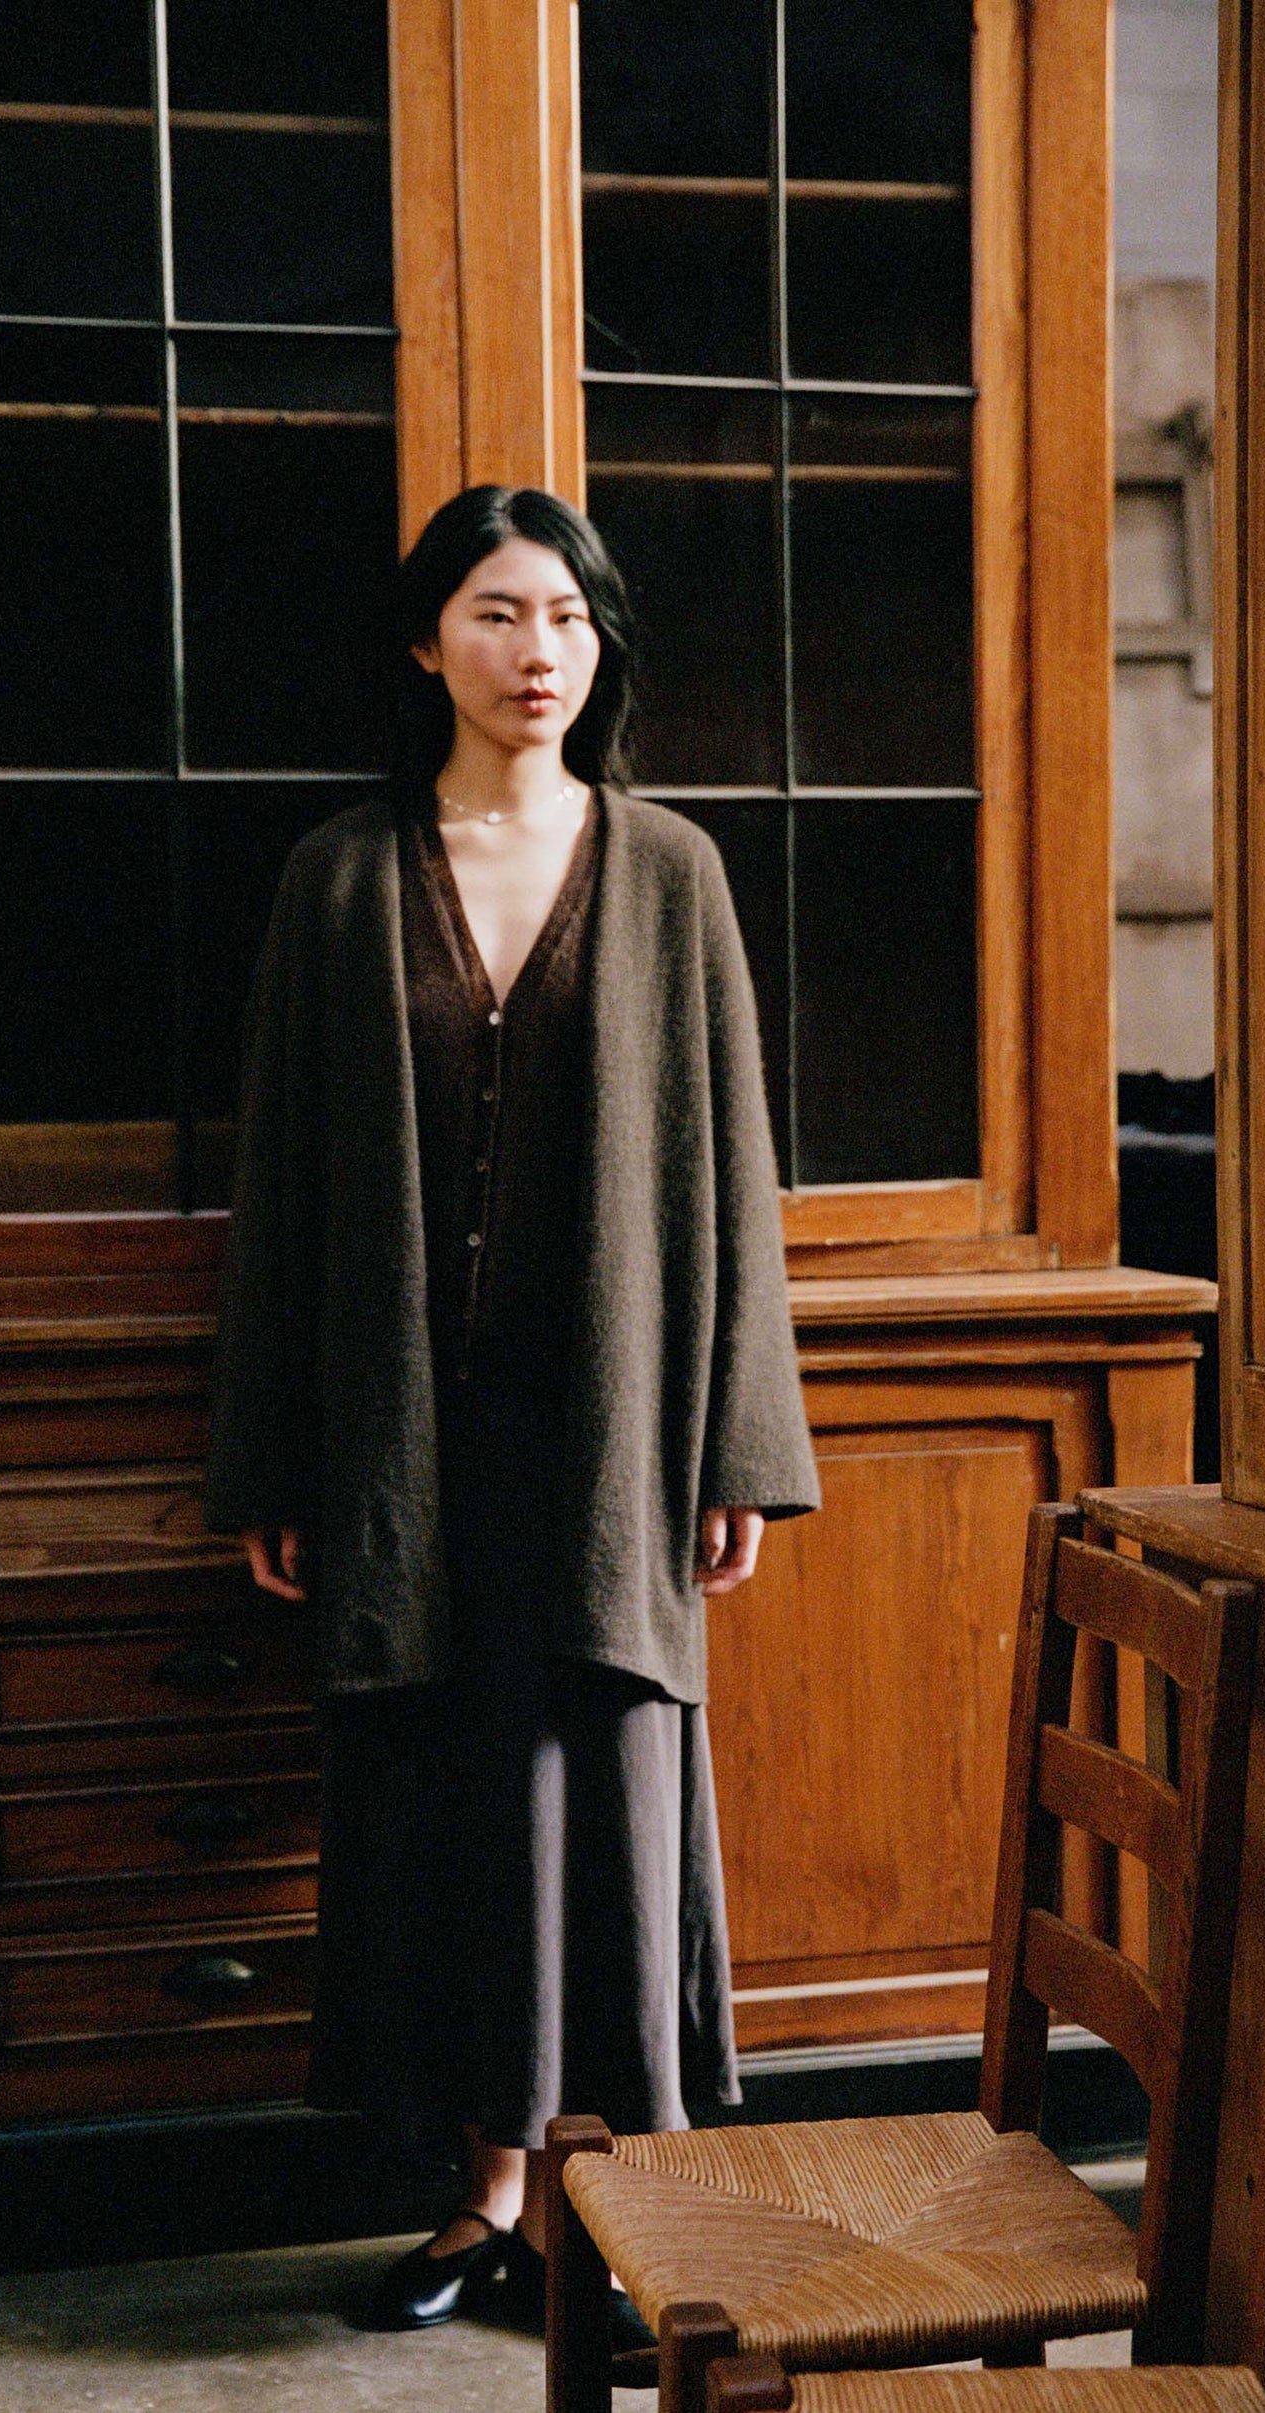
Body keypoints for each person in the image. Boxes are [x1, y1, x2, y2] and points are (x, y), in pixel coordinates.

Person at [204, 485, 820, 2336]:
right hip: (408, 1433)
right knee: (445, 1804)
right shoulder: (338, 876)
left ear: (599, 641)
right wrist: (278, 1454)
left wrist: (738, 1449)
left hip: (612, 1432)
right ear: (427, 645)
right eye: (494, 614)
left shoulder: (672, 871)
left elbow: (735, 1176)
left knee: (607, 1797)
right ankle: (484, 2197)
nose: (534, 653)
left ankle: (605, 2207)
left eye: (563, 616)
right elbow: (283, 1189)